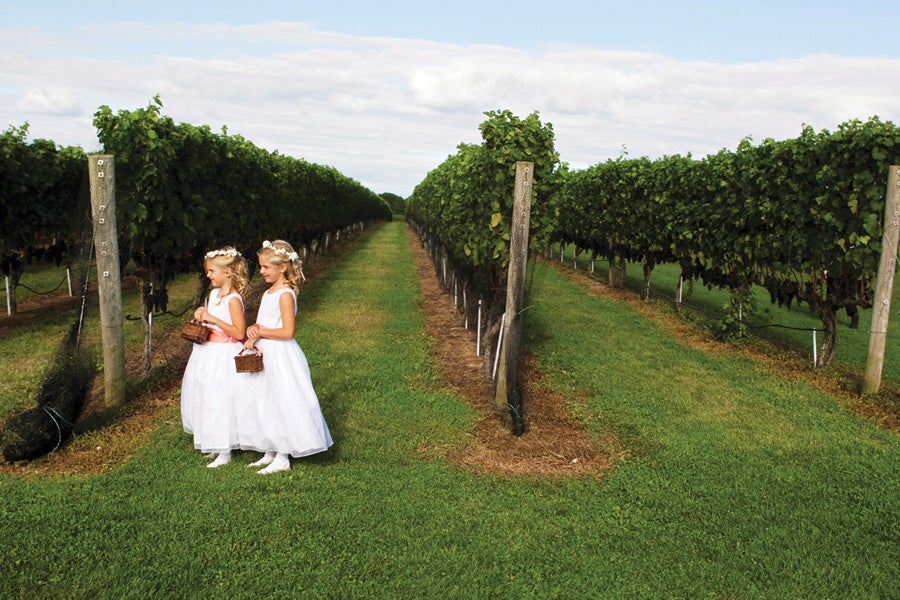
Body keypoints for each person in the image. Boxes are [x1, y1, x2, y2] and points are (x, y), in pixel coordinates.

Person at [236, 239, 333, 474]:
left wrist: (261, 332)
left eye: (266, 267)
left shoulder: (285, 294)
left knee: (283, 400)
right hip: (266, 351)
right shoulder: (269, 292)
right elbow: (265, 322)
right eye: (260, 267)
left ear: (282, 267)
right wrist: (252, 330)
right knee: (265, 400)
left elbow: (288, 331)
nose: (261, 271)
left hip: (281, 354)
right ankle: (270, 448)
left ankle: (283, 454)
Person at [181, 246, 248, 468]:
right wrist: (202, 314)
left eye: (211, 271)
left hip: (223, 354)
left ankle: (225, 448)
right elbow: (210, 319)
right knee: (204, 396)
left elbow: (239, 332)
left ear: (227, 272)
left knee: (221, 399)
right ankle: (211, 441)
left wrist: (215, 319)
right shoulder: (213, 294)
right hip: (206, 351)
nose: (208, 275)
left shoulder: (234, 299)